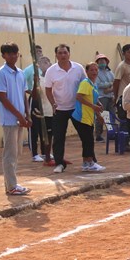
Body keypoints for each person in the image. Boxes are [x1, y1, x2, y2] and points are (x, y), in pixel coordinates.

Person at [0, 42, 32, 195]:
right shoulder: (0, 73)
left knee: (16, 153)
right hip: (10, 119)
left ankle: (12, 183)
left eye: (15, 53)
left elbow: (23, 94)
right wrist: (19, 116)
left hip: (20, 117)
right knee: (10, 153)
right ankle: (11, 186)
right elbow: (3, 98)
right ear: (3, 55)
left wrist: (27, 115)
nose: (13, 56)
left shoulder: (20, 73)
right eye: (9, 54)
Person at [44, 44, 86, 173]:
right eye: (60, 53)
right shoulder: (51, 71)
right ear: (56, 55)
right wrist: (53, 103)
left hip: (76, 108)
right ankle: (59, 163)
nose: (63, 55)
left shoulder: (78, 68)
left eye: (65, 53)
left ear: (69, 54)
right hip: (60, 109)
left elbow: (85, 85)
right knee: (58, 138)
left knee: (85, 135)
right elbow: (48, 89)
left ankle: (89, 161)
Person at [73, 62, 106, 172]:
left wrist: (98, 110)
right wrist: (93, 106)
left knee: (88, 140)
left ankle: (87, 163)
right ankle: (89, 162)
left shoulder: (94, 84)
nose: (94, 72)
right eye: (91, 70)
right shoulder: (85, 83)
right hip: (81, 117)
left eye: (96, 70)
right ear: (86, 72)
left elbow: (94, 99)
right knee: (88, 140)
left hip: (89, 117)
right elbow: (79, 97)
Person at [27, 55, 54, 163]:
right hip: (37, 107)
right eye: (43, 63)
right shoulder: (39, 79)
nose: (46, 64)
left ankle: (45, 152)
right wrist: (35, 83)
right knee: (35, 130)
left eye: (47, 62)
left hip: (49, 109)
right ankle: (34, 153)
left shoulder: (52, 78)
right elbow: (34, 95)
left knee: (47, 133)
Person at [93, 54, 115, 142]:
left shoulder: (110, 72)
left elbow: (114, 81)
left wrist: (109, 88)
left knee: (111, 115)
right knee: (101, 116)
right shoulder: (96, 72)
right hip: (101, 97)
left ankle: (111, 133)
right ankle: (98, 135)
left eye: (104, 61)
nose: (102, 62)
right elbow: (98, 84)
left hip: (110, 96)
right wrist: (109, 84)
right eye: (100, 61)